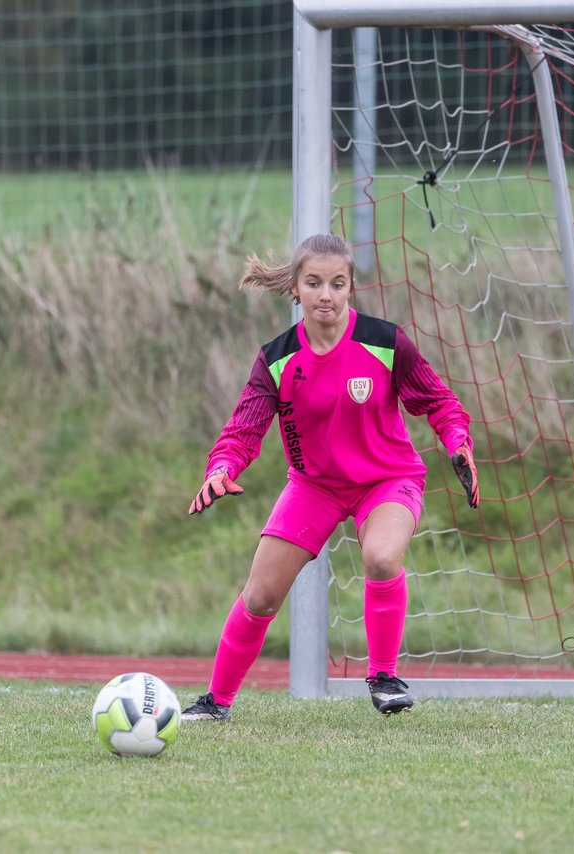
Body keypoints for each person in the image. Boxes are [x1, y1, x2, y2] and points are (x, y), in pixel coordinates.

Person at [181, 233, 480, 721]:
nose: (327, 294)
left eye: (337, 284)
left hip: (387, 478)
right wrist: (221, 469)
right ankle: (215, 703)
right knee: (259, 595)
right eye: (315, 283)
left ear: (350, 288)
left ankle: (383, 678)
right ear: (295, 289)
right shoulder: (276, 359)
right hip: (313, 486)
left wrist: (459, 443)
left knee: (382, 556)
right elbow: (242, 431)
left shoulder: (385, 343)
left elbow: (440, 403)